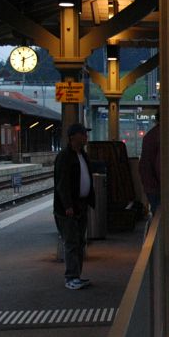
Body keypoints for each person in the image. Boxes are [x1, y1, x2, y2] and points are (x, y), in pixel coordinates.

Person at [54, 123, 95, 290]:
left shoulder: (82, 155)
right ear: (73, 137)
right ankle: (71, 277)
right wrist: (68, 205)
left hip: (81, 205)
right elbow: (62, 184)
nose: (86, 136)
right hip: (68, 209)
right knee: (71, 242)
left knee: (79, 242)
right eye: (83, 134)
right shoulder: (65, 157)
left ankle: (76, 275)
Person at [139, 115, 160, 214]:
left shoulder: (150, 135)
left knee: (157, 214)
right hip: (157, 188)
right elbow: (159, 166)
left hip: (150, 185)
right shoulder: (161, 136)